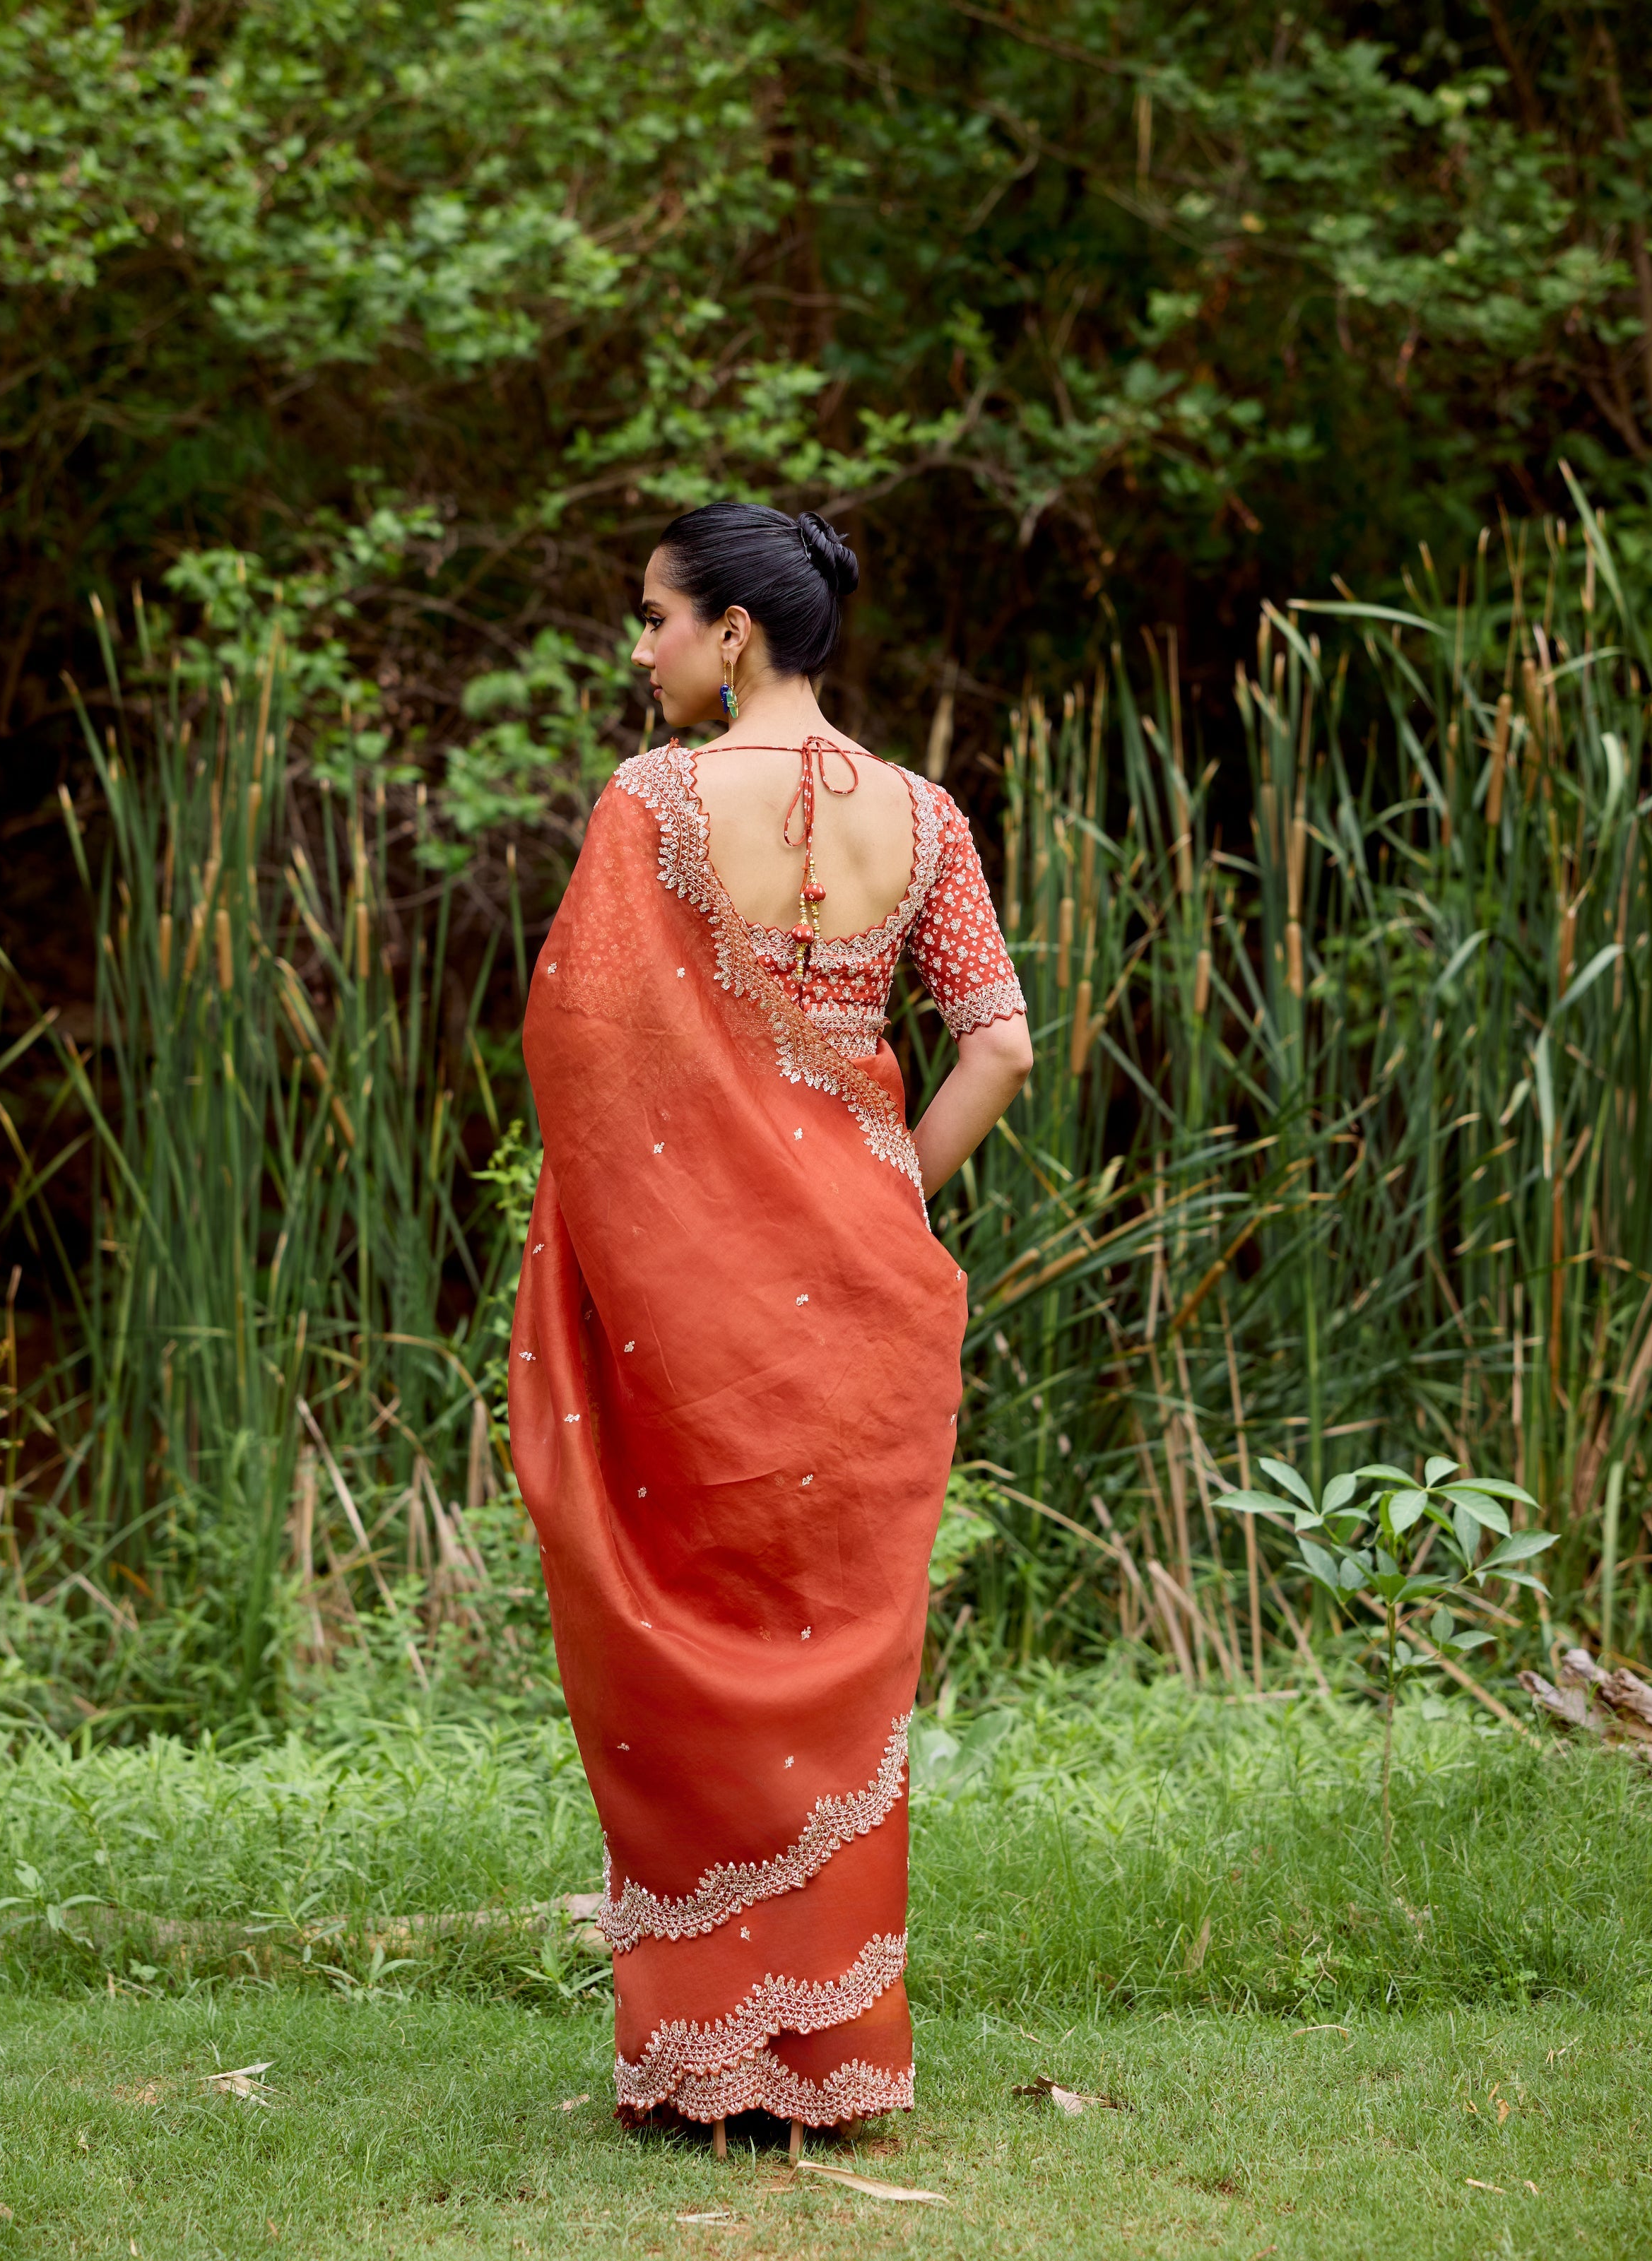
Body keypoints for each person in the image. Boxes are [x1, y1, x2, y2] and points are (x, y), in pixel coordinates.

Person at [509, 502, 1031, 2159]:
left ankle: (700, 2063)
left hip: (699, 1307)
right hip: (863, 1302)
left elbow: (586, 1065)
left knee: (683, 1635)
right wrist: (885, 1187)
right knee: (832, 1672)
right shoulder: (924, 814)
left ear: (732, 632)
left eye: (654, 618)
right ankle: (827, 2062)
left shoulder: (651, 806)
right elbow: (999, 1044)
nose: (640, 647)